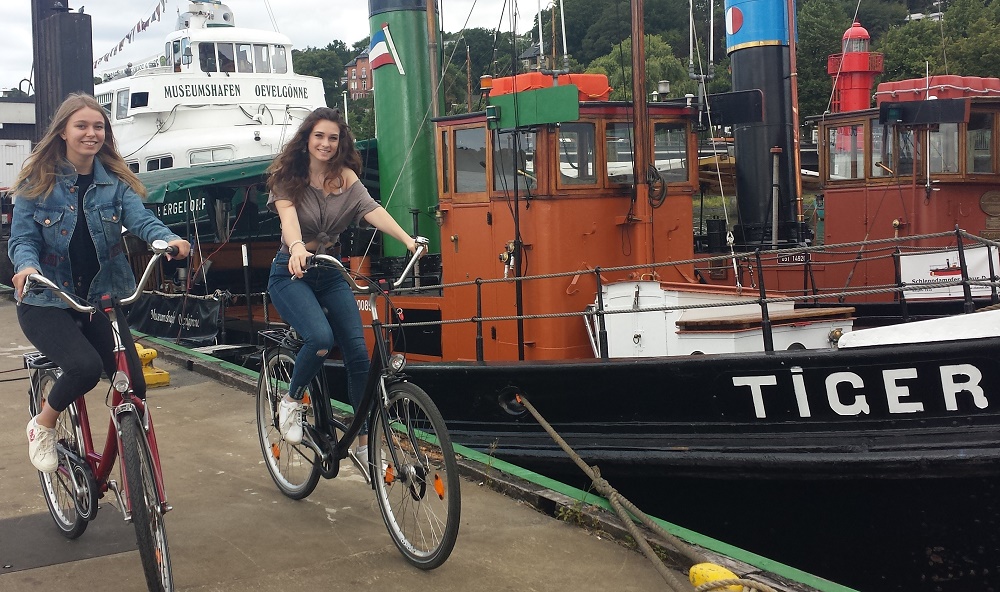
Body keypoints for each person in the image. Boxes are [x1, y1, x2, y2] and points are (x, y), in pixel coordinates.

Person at [9, 93, 190, 473]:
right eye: (81, 126)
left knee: (134, 386)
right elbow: (23, 238)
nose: (91, 134)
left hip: (102, 298)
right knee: (85, 368)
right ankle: (42, 425)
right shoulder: (36, 181)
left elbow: (141, 220)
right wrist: (26, 266)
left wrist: (166, 240)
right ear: (62, 132)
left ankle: (128, 451)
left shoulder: (117, 183)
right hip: (47, 298)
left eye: (98, 127)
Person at [265, 107, 416, 468]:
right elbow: (289, 221)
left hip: (329, 271)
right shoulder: (288, 176)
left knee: (359, 356)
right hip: (291, 273)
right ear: (307, 139)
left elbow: (371, 209)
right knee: (319, 338)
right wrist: (298, 248)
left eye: (333, 138)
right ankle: (292, 400)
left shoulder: (345, 178)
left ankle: (363, 442)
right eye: (319, 136)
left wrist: (408, 240)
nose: (326, 144)